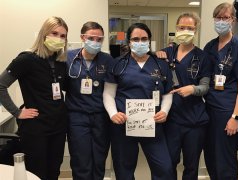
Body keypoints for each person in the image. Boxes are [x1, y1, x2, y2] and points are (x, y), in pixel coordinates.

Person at [103, 22, 174, 180]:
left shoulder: (160, 64)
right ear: (129, 42)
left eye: (144, 39)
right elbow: (108, 93)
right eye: (136, 39)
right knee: (123, 169)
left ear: (149, 41)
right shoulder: (118, 64)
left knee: (165, 168)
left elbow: (168, 93)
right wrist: (113, 114)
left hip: (153, 124)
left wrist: (164, 111)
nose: (140, 42)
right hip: (124, 125)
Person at [0, 16, 68, 180]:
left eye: (63, 36)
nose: (59, 38)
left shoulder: (60, 62)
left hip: (58, 127)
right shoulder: (26, 59)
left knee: (54, 171)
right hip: (36, 129)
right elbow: (1, 85)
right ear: (44, 34)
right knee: (37, 172)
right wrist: (17, 112)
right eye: (55, 33)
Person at [156, 12, 211, 180]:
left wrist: (193, 89)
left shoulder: (203, 57)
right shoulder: (165, 53)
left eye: (190, 28)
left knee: (191, 165)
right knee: (169, 163)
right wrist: (156, 55)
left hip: (194, 121)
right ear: (176, 28)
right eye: (181, 27)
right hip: (171, 119)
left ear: (196, 30)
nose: (185, 31)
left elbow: (205, 86)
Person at [203, 2, 238, 180]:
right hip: (210, 109)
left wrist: (235, 117)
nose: (221, 21)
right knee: (210, 155)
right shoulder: (210, 46)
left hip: (228, 111)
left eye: (225, 17)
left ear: (233, 20)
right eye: (218, 18)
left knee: (225, 159)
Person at [66, 21, 113, 180]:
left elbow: (112, 89)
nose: (95, 42)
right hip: (77, 116)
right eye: (91, 38)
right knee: (81, 160)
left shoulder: (107, 60)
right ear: (82, 37)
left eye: (99, 39)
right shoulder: (68, 58)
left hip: (100, 117)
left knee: (99, 159)